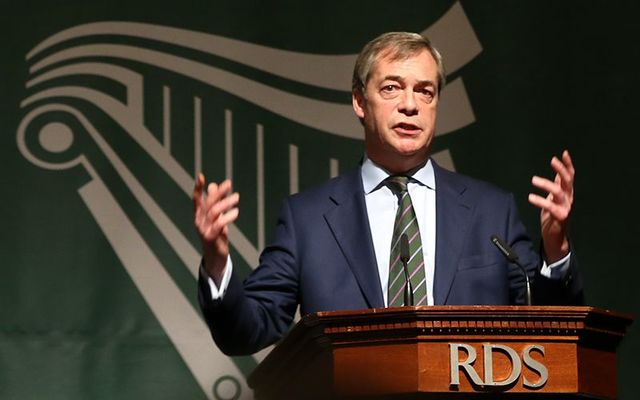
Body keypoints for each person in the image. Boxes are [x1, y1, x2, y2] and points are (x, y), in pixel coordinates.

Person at [193, 32, 583, 356]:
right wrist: (216, 263)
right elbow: (247, 331)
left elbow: (550, 332)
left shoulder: (490, 210)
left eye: (425, 91)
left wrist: (556, 249)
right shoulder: (307, 219)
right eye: (392, 88)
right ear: (360, 102)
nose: (410, 105)